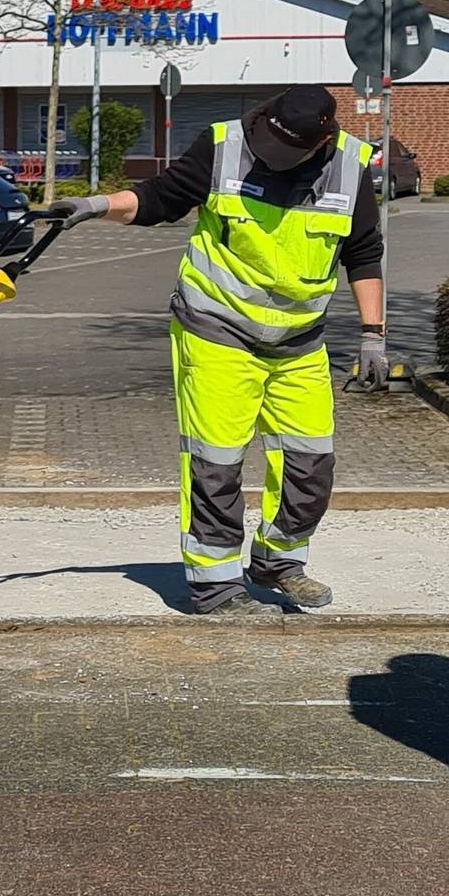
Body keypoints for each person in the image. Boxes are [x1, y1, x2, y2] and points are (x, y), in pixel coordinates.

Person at [54, 84, 386, 616]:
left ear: (322, 142)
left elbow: (364, 251)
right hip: (216, 330)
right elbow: (159, 198)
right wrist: (96, 205)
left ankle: (278, 562)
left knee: (311, 462)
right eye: (268, 143)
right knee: (217, 462)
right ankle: (216, 587)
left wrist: (373, 334)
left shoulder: (351, 166)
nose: (269, 158)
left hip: (299, 341)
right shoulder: (225, 144)